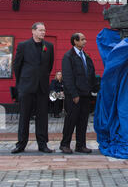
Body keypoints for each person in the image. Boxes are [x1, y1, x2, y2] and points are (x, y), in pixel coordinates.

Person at [11, 22, 54, 154]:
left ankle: (42, 144)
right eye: (40, 30)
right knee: (24, 116)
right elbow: (16, 66)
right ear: (33, 31)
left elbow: (49, 66)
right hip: (26, 86)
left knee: (42, 117)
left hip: (42, 87)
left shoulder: (49, 46)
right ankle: (21, 144)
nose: (43, 32)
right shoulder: (23, 46)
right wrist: (22, 82)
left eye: (44, 30)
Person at [59, 32, 99, 154]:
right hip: (74, 95)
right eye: (82, 39)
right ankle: (64, 144)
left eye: (85, 39)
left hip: (85, 95)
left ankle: (80, 145)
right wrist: (74, 94)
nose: (85, 41)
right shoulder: (68, 56)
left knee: (83, 121)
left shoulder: (86, 56)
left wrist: (93, 89)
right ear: (75, 41)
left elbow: (91, 74)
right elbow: (68, 77)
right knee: (71, 120)